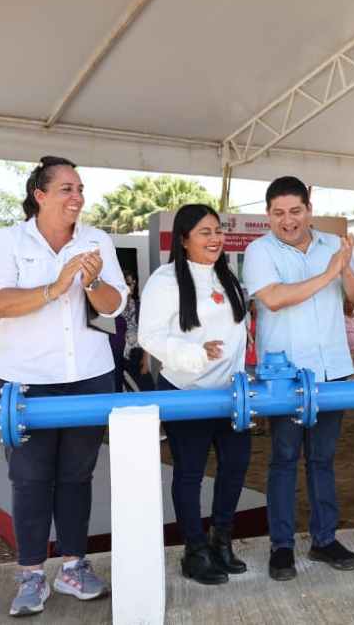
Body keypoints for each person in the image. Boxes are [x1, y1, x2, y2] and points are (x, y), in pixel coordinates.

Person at [0, 156, 127, 616]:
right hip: (26, 380)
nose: (77, 197)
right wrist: (56, 285)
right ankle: (29, 575)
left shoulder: (97, 239)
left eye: (80, 188)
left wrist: (92, 280)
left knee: (76, 476)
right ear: (39, 196)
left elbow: (115, 306)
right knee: (30, 479)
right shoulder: (9, 240)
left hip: (89, 376)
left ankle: (73, 567)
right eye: (66, 189)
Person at [243, 177, 354, 581]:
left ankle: (324, 539)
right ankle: (281, 546)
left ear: (309, 210)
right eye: (278, 213)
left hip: (332, 370)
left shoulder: (334, 245)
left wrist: (344, 269)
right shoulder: (258, 251)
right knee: (282, 460)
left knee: (323, 460)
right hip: (284, 377)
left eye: (295, 211)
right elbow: (275, 298)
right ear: (268, 215)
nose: (288, 220)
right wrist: (328, 271)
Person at [138, 204, 250, 586]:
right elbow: (148, 336)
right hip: (186, 393)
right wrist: (196, 354)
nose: (215, 238)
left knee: (234, 468)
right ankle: (195, 550)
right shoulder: (165, 280)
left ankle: (222, 541)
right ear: (184, 239)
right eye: (204, 232)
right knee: (189, 474)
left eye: (217, 230)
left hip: (230, 395)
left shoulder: (228, 278)